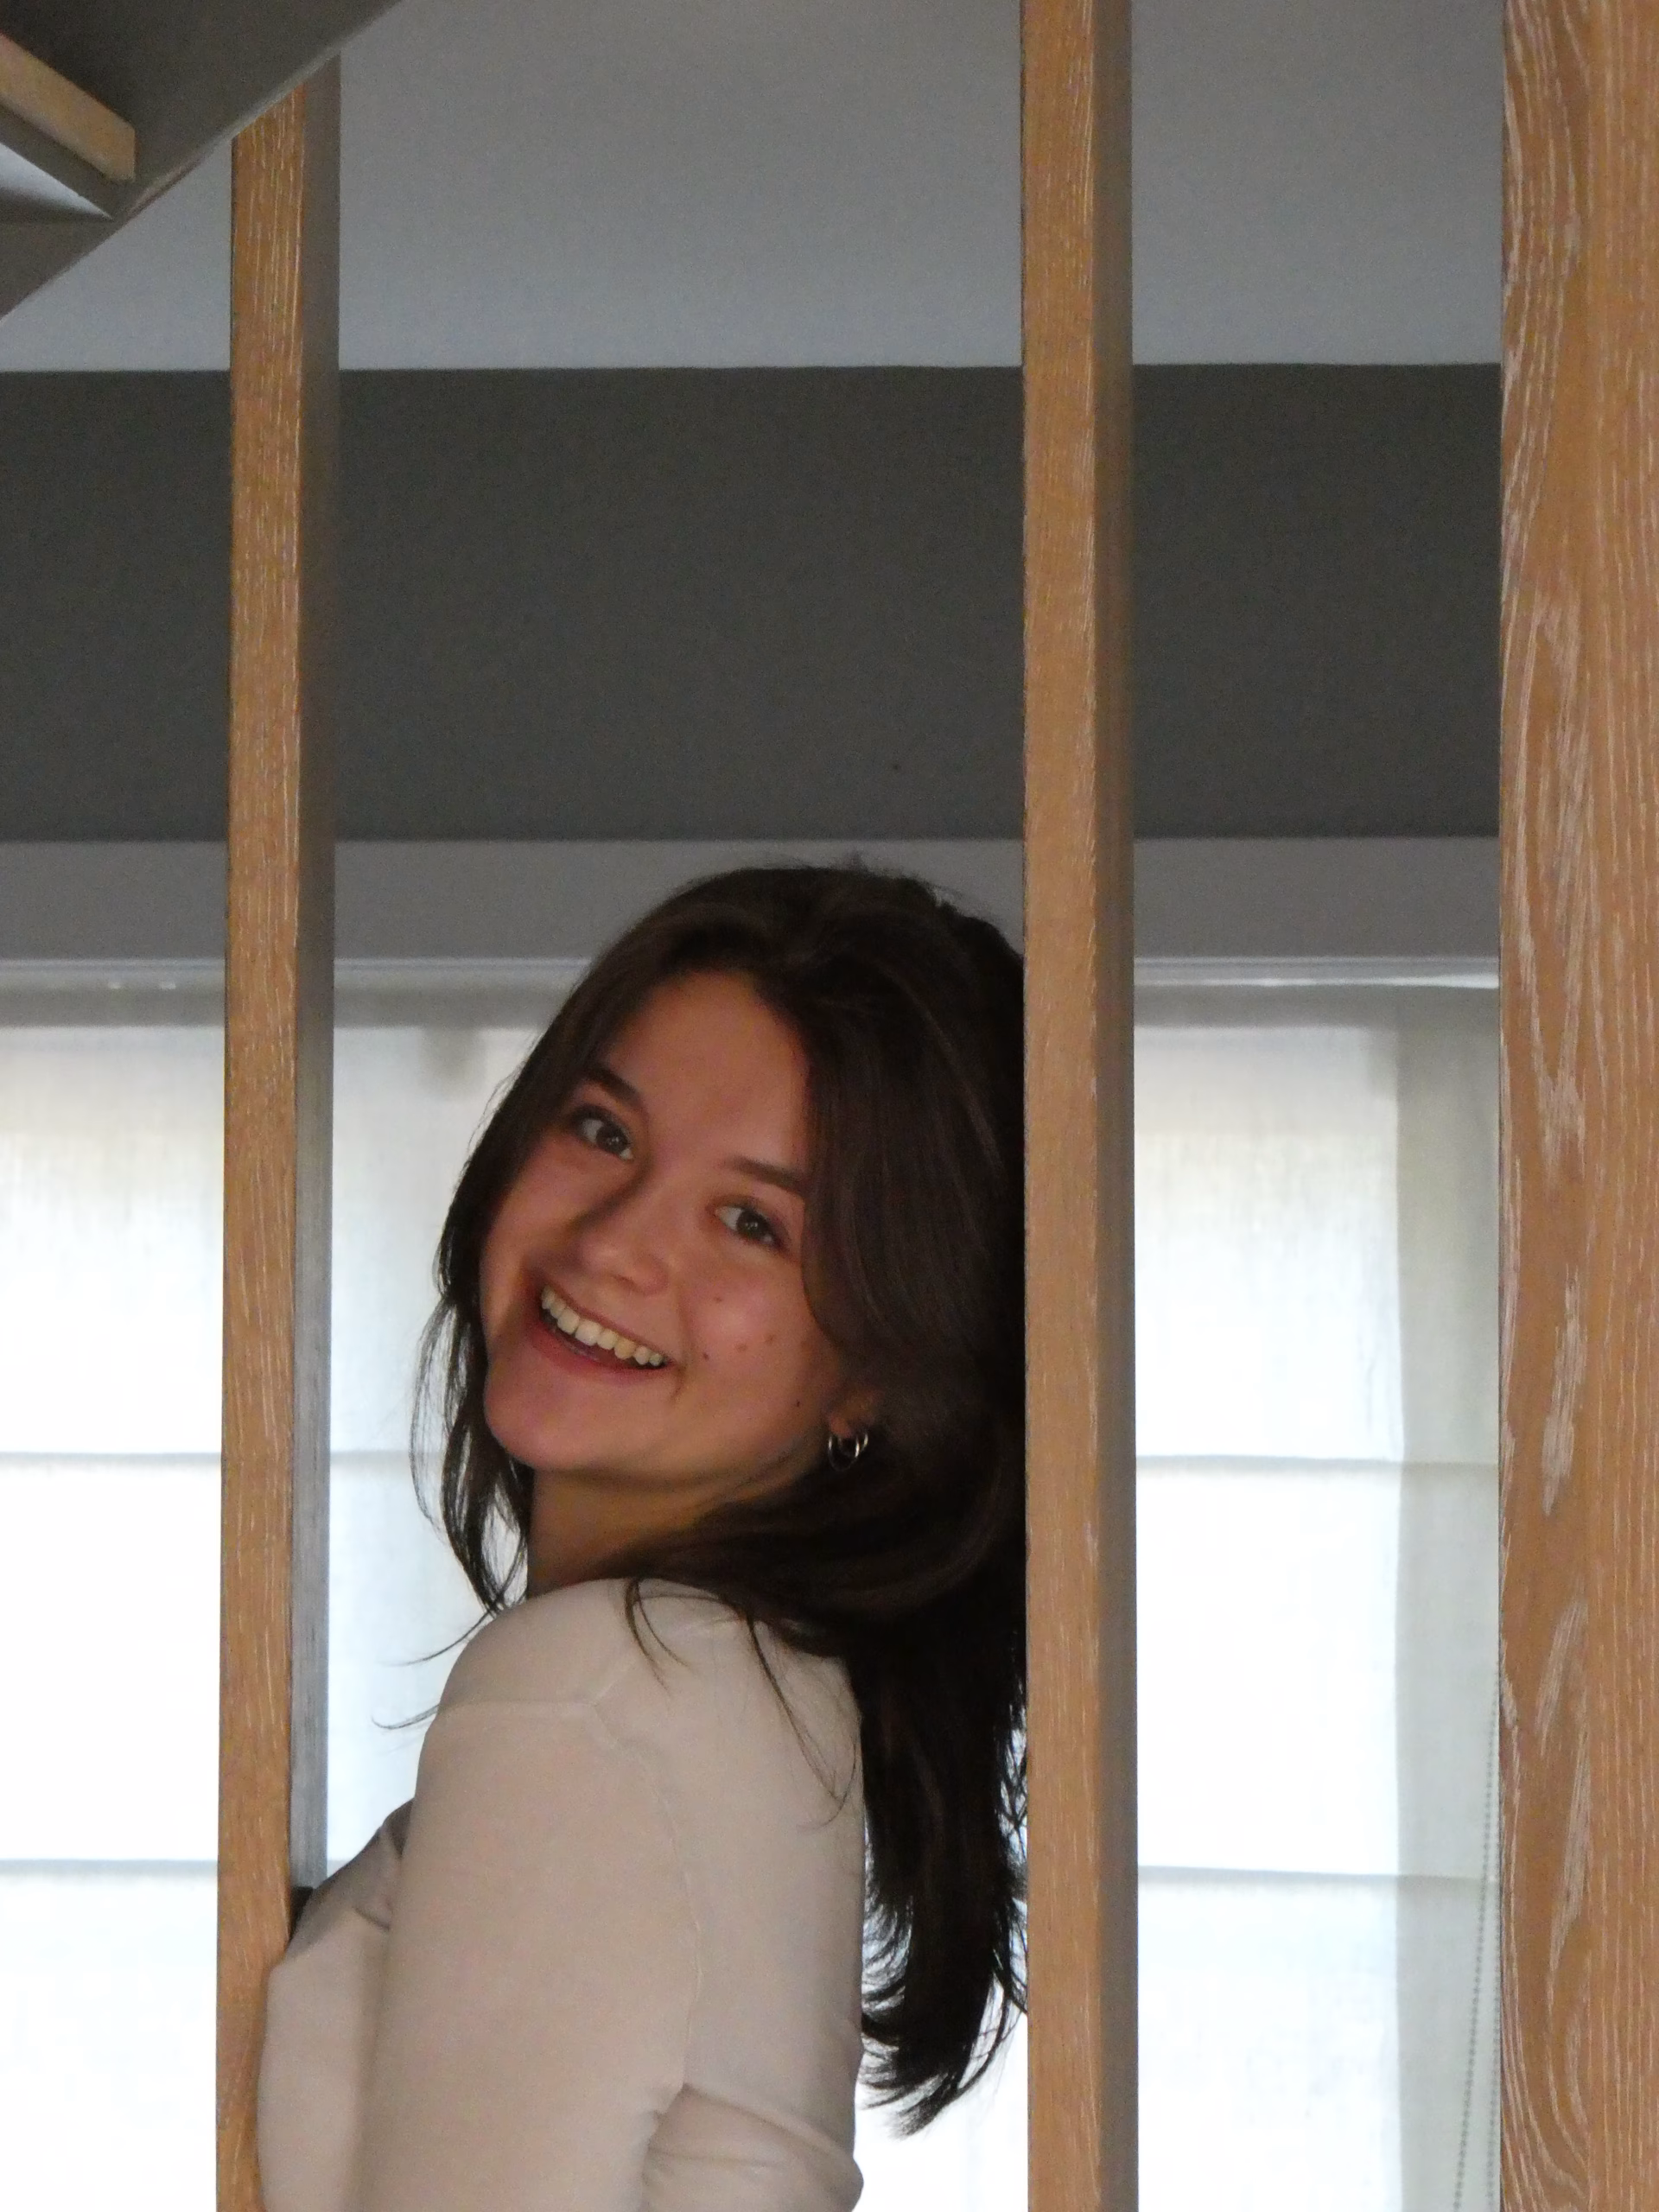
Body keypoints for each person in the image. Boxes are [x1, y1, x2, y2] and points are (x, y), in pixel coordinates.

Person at [257, 864, 1027, 2211]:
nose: (615, 1244)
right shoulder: (737, 1688)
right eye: (604, 1131)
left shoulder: (602, 1689)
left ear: (878, 1370)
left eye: (752, 1222)